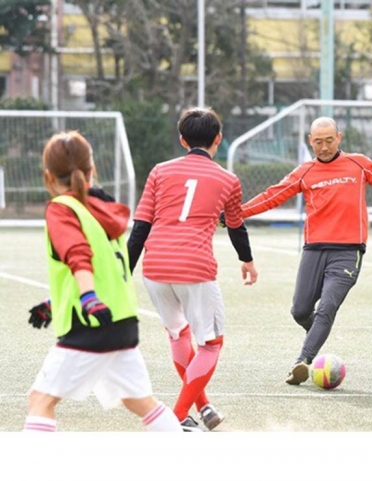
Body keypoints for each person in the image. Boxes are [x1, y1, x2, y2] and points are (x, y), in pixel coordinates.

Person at [242, 116, 372, 385]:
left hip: (348, 251)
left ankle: (303, 361)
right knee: (299, 311)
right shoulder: (305, 172)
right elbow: (272, 195)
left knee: (327, 307)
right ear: (310, 141)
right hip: (313, 250)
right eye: (318, 142)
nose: (323, 147)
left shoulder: (358, 164)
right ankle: (319, 332)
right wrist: (239, 213)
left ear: (339, 138)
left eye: (329, 141)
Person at [24, 131, 182, 432]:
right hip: (121, 322)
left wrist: (87, 299)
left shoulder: (63, 208)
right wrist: (55, 302)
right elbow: (103, 267)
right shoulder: (102, 209)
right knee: (140, 402)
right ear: (92, 170)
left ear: (48, 175)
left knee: (40, 400)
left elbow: (78, 255)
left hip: (90, 324)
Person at [127, 107, 258, 431]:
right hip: (195, 269)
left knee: (179, 334)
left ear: (183, 140)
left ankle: (203, 408)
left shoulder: (159, 171)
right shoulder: (228, 179)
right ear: (218, 139)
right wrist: (247, 261)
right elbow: (236, 226)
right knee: (211, 345)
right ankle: (176, 418)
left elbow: (140, 227)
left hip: (155, 267)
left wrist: (123, 272)